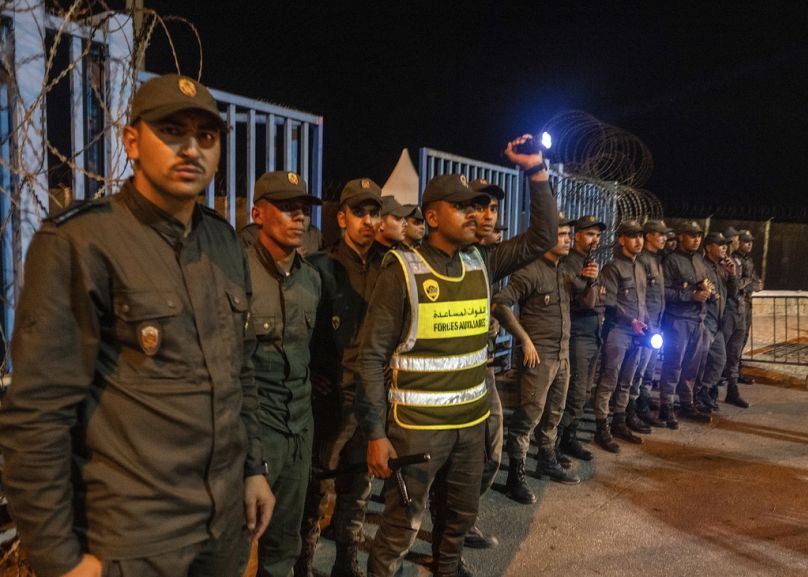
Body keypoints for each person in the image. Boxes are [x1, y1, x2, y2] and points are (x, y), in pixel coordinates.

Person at [0, 74, 274, 577]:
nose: (191, 149)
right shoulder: (82, 243)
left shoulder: (224, 244)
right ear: (132, 141)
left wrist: (254, 469)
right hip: (135, 539)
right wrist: (58, 558)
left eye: (206, 137)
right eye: (172, 131)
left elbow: (242, 372)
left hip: (221, 528)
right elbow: (36, 415)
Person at [357, 136, 558, 577]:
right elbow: (370, 357)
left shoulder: (480, 261)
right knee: (400, 525)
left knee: (458, 519)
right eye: (463, 207)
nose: (476, 214)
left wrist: (535, 171)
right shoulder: (402, 269)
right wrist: (375, 432)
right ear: (431, 217)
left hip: (470, 425)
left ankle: (447, 568)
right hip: (417, 432)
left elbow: (543, 235)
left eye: (477, 207)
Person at [297, 178, 384, 577]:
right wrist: (313, 372)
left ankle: (347, 558)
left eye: (374, 213)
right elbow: (299, 330)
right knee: (317, 486)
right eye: (360, 212)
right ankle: (303, 561)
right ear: (343, 216)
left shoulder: (391, 266)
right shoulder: (319, 268)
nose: (368, 221)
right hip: (330, 400)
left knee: (359, 482)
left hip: (371, 397)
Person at [244, 171, 323, 577]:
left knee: (283, 546)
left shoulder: (311, 280)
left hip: (299, 426)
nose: (299, 217)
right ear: (258, 213)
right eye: (288, 208)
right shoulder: (237, 274)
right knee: (237, 543)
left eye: (304, 209)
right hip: (255, 427)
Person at [493, 213, 598, 500]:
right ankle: (516, 475)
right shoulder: (530, 271)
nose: (567, 240)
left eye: (568, 235)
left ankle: (547, 460)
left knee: (553, 413)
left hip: (561, 355)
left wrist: (590, 282)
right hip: (539, 358)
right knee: (528, 416)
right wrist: (524, 339)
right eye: (561, 235)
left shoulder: (563, 272)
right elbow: (500, 304)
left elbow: (588, 303)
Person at [592, 220, 649, 453]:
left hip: (638, 334)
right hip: (619, 331)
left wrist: (647, 325)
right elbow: (608, 301)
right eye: (633, 236)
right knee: (609, 380)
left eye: (641, 236)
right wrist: (631, 321)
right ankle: (601, 427)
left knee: (627, 380)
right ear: (621, 240)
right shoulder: (613, 268)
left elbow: (643, 303)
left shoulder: (640, 267)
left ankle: (619, 421)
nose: (638, 241)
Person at [556, 215, 607, 462]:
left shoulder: (591, 263)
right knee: (574, 393)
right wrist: (592, 282)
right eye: (590, 234)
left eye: (597, 235)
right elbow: (586, 301)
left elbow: (600, 299)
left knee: (585, 391)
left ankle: (569, 437)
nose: (595, 239)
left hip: (593, 334)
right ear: (576, 236)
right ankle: (554, 443)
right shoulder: (569, 264)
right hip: (577, 335)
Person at [658, 221, 712, 428]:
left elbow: (705, 283)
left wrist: (709, 293)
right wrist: (691, 295)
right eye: (691, 235)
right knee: (674, 364)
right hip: (677, 319)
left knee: (692, 365)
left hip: (697, 318)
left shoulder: (699, 259)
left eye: (698, 235)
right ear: (681, 237)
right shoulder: (671, 261)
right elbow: (664, 291)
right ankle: (667, 406)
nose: (696, 239)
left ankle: (686, 403)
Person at [692, 232, 745, 411]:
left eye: (725, 245)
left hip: (718, 323)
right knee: (701, 362)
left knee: (719, 360)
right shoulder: (701, 266)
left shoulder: (721, 268)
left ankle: (704, 391)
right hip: (705, 320)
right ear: (708, 247)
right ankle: (696, 397)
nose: (724, 248)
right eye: (719, 244)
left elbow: (732, 293)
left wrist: (732, 275)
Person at [631, 220, 671, 428]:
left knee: (649, 367)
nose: (664, 238)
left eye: (665, 234)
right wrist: (648, 324)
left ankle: (643, 401)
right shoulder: (643, 261)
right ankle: (637, 407)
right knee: (640, 368)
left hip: (656, 321)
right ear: (649, 236)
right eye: (660, 234)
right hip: (648, 324)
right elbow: (641, 296)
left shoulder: (656, 260)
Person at [720, 227, 752, 407]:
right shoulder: (720, 264)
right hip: (725, 313)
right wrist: (744, 282)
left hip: (738, 312)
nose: (732, 245)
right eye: (729, 242)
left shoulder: (736, 263)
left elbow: (749, 281)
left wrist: (743, 283)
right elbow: (733, 288)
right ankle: (705, 392)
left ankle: (732, 390)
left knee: (733, 355)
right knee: (717, 355)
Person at [736, 229, 760, 384]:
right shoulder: (735, 260)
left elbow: (754, 279)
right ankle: (733, 372)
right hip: (739, 304)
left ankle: (735, 370)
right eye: (746, 241)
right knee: (737, 340)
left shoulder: (749, 260)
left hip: (747, 303)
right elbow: (738, 284)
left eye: (750, 241)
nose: (749, 244)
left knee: (743, 339)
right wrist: (752, 285)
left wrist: (756, 283)